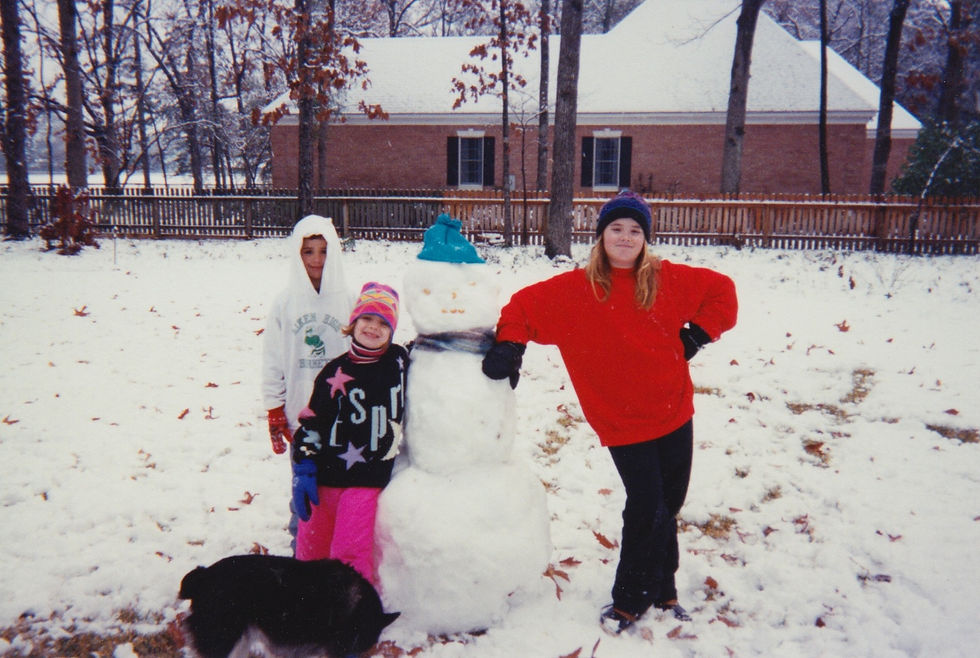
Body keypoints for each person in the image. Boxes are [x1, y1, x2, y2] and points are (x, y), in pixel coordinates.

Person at [481, 189, 737, 634]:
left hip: (674, 408)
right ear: (600, 236)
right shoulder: (575, 291)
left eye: (635, 230)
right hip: (621, 419)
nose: (625, 237)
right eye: (616, 228)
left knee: (668, 504)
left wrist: (698, 333)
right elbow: (521, 308)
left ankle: (664, 589)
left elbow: (722, 292)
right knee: (647, 504)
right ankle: (630, 599)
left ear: (646, 238)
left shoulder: (667, 280)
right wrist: (510, 345)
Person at [290, 282, 408, 585]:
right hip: (325, 476)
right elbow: (312, 423)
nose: (373, 327)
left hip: (367, 479)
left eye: (383, 323)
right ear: (353, 322)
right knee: (311, 547)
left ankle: (352, 606)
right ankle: (305, 602)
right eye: (367, 318)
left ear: (392, 331)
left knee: (350, 550)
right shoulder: (333, 372)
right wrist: (304, 466)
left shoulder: (399, 363)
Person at [261, 215, 353, 550]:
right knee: (305, 482)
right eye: (308, 251)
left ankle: (337, 546)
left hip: (344, 414)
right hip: (302, 414)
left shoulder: (349, 299)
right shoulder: (284, 303)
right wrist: (275, 407)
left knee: (341, 484)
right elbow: (273, 359)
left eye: (324, 251)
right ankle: (301, 546)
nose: (316, 259)